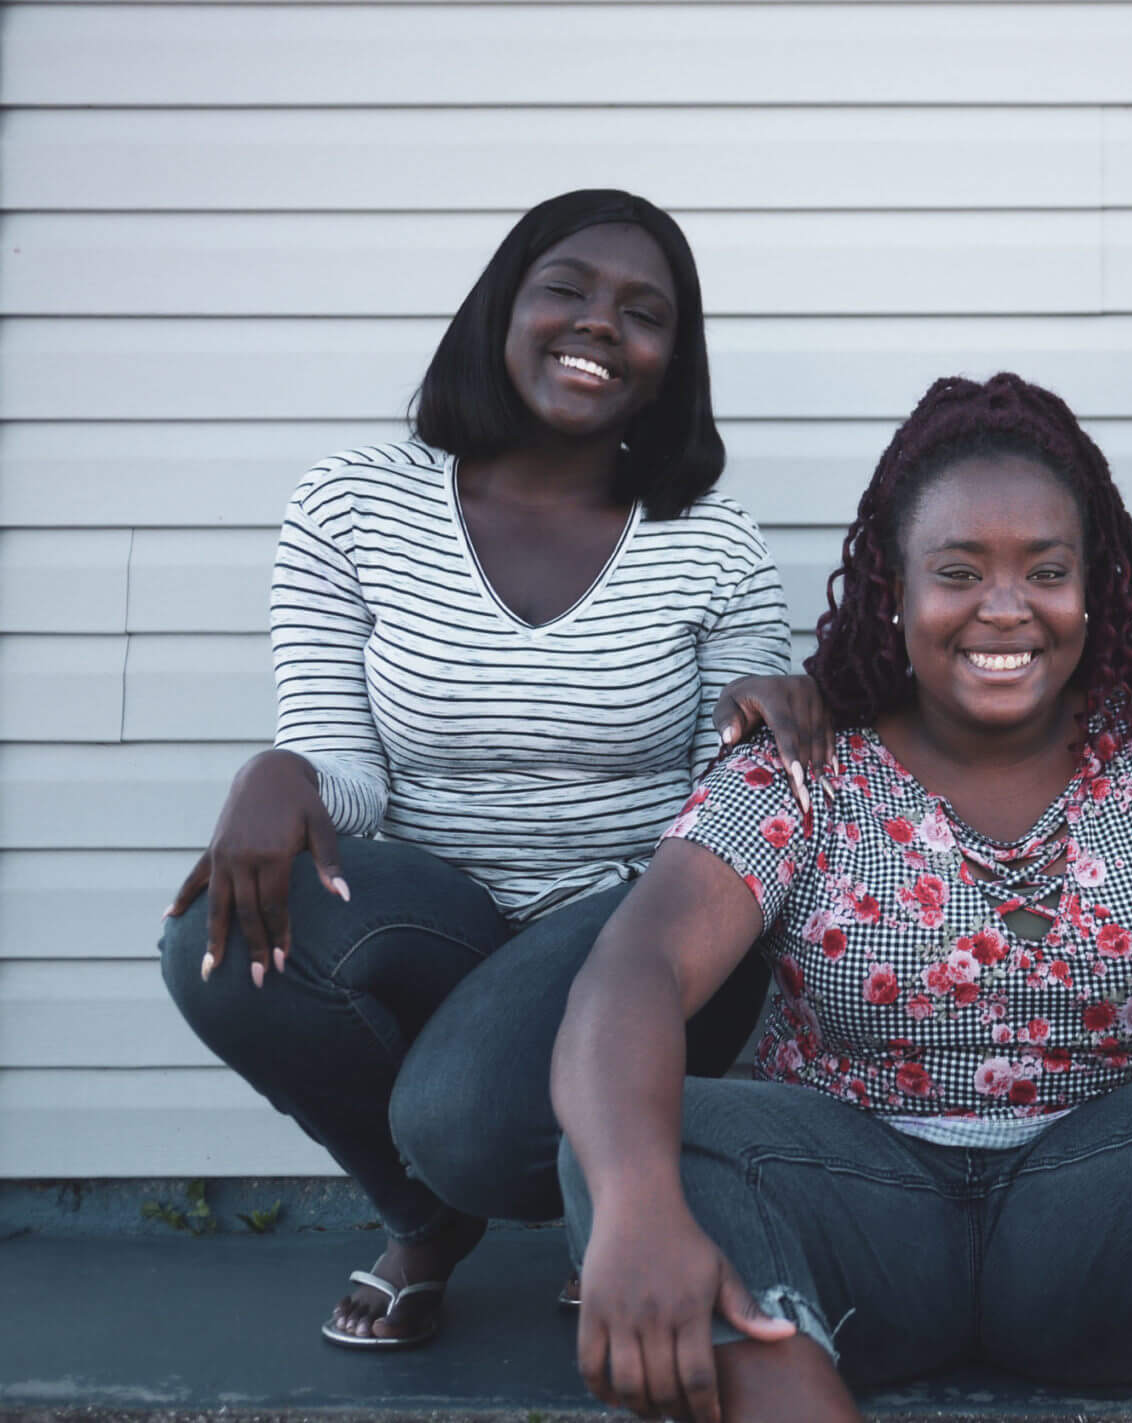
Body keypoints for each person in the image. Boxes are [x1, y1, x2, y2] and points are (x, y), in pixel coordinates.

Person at [551, 372, 1132, 1423]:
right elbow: (636, 966)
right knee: (646, 1139)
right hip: (855, 1217)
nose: (1006, 606)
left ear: (1097, 586)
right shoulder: (810, 767)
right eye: (958, 571)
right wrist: (632, 1203)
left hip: (1107, 1224)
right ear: (893, 590)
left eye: (1046, 569)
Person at [158, 189, 829, 1349]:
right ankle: (424, 1218)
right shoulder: (353, 503)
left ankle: (605, 1194)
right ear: (503, 310)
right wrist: (283, 774)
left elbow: (731, 812)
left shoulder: (712, 541)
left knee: (467, 1116)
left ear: (673, 359)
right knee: (220, 948)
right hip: (439, 909)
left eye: (643, 311)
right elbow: (345, 773)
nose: (601, 324)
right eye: (567, 289)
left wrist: (756, 721)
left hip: (629, 909)